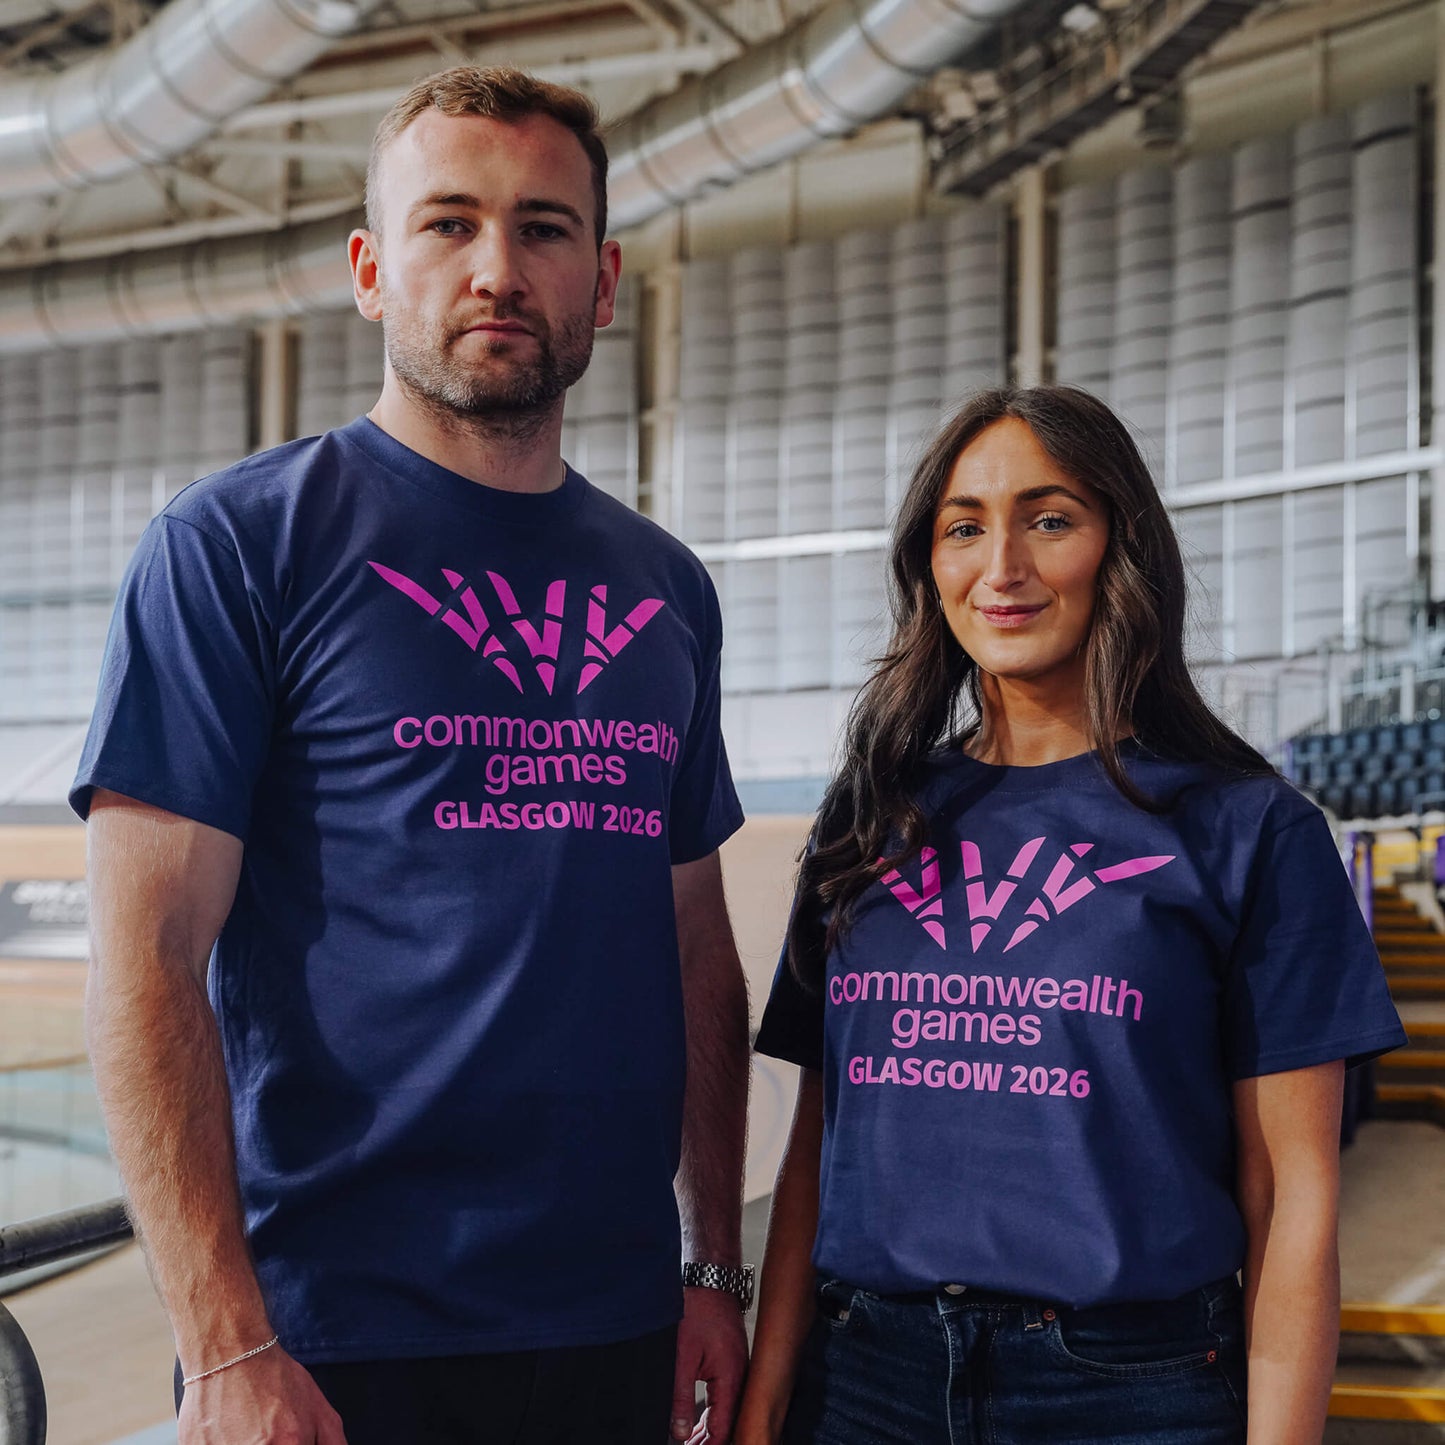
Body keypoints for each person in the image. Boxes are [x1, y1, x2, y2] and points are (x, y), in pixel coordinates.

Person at [74, 65, 752, 1445]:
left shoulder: (666, 587)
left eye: (543, 228)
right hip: (330, 1337)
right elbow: (146, 960)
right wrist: (224, 1341)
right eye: (448, 223)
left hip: (614, 1323)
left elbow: (694, 949)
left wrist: (709, 1266)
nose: (497, 268)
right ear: (371, 271)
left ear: (602, 282)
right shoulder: (238, 546)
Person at [736, 386, 1406, 1445]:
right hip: (863, 1381)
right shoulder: (870, 815)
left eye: (1048, 520)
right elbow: (818, 1142)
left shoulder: (1246, 828)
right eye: (963, 527)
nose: (1000, 566)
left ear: (1119, 549)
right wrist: (765, 1399)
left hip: (1127, 1391)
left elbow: (1288, 1197)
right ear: (930, 565)